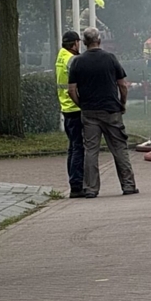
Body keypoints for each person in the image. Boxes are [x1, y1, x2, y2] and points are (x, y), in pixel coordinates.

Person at [68, 27, 138, 198]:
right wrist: (122, 103)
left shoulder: (77, 62)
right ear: (99, 40)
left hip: (89, 112)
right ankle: (128, 186)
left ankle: (91, 189)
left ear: (84, 42)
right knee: (119, 148)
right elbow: (122, 84)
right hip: (111, 110)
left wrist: (82, 104)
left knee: (90, 150)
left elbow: (71, 90)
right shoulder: (110, 58)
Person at [56, 30, 85, 198]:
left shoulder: (61, 56)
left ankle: (74, 182)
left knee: (73, 147)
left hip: (66, 107)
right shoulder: (72, 59)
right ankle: (76, 185)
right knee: (78, 148)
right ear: (75, 43)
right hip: (75, 107)